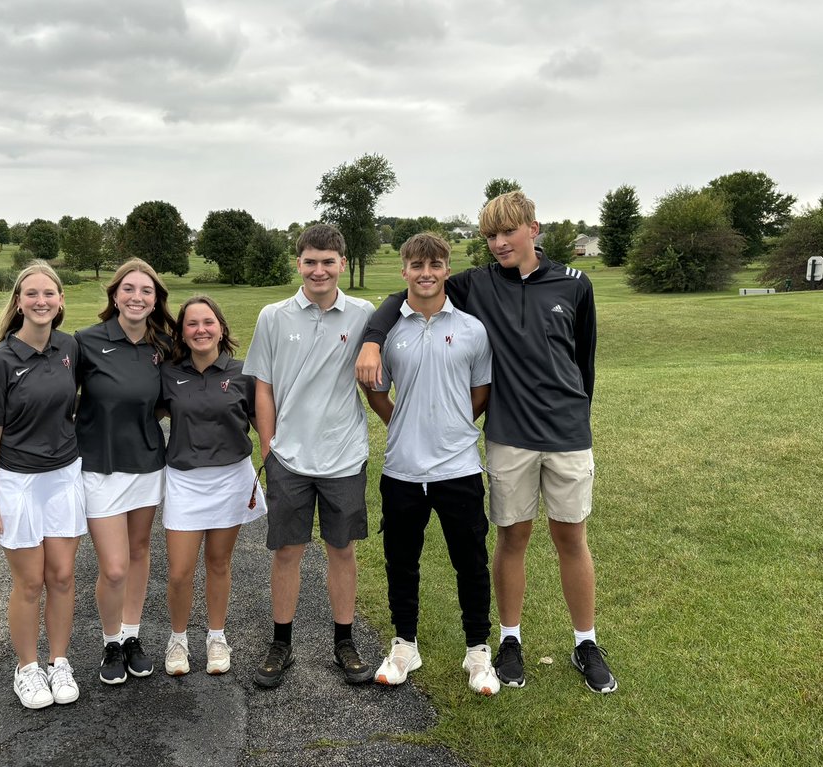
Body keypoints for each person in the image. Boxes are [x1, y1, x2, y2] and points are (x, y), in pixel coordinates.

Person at [357, 191, 618, 694]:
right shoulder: (476, 285)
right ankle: (510, 641)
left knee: (571, 538)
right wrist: (372, 337)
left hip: (566, 435)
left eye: (508, 233)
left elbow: (584, 362)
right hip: (507, 436)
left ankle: (585, 642)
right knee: (511, 538)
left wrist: (576, 416)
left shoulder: (574, 284)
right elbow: (407, 293)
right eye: (490, 236)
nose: (499, 244)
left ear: (533, 228)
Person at [363, 233, 499, 696]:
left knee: (471, 561)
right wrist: (398, 420)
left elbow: (481, 390)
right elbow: (375, 389)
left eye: (435, 264)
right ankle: (405, 646)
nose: (426, 273)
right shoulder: (387, 331)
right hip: (402, 469)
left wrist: (456, 425)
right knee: (401, 561)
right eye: (417, 265)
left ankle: (478, 651)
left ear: (447, 268)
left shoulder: (471, 329)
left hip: (458, 468)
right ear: (404, 271)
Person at [242, 223, 375, 688]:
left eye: (328, 261)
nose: (319, 270)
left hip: (343, 455)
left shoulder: (363, 314)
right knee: (288, 552)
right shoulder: (273, 316)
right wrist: (269, 445)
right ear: (298, 263)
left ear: (341, 262)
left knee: (342, 550)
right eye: (310, 261)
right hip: (289, 458)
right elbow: (264, 386)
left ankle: (345, 641)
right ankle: (282, 643)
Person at [0, 262, 85, 710]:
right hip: (16, 483)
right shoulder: (0, 361)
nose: (41, 302)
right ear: (19, 302)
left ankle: (59, 662)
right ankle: (27, 668)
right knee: (30, 581)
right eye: (31, 294)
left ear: (60, 300)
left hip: (63, 477)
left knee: (62, 575)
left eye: (49, 294)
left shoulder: (69, 348)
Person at [74, 258, 175, 686]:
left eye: (146, 291)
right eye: (129, 289)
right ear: (115, 295)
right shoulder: (85, 342)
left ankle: (132, 637)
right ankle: (110, 641)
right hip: (100, 466)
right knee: (114, 567)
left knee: (138, 553)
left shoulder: (163, 347)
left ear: (156, 300)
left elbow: (172, 398)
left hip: (147, 463)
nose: (137, 297)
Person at [159, 295, 267, 676]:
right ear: (182, 333)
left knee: (219, 563)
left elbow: (263, 424)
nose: (201, 329)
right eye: (192, 324)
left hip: (230, 479)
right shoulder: (169, 373)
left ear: (221, 328)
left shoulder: (244, 373)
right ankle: (177, 640)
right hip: (185, 481)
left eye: (208, 322)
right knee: (179, 571)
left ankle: (216, 637)